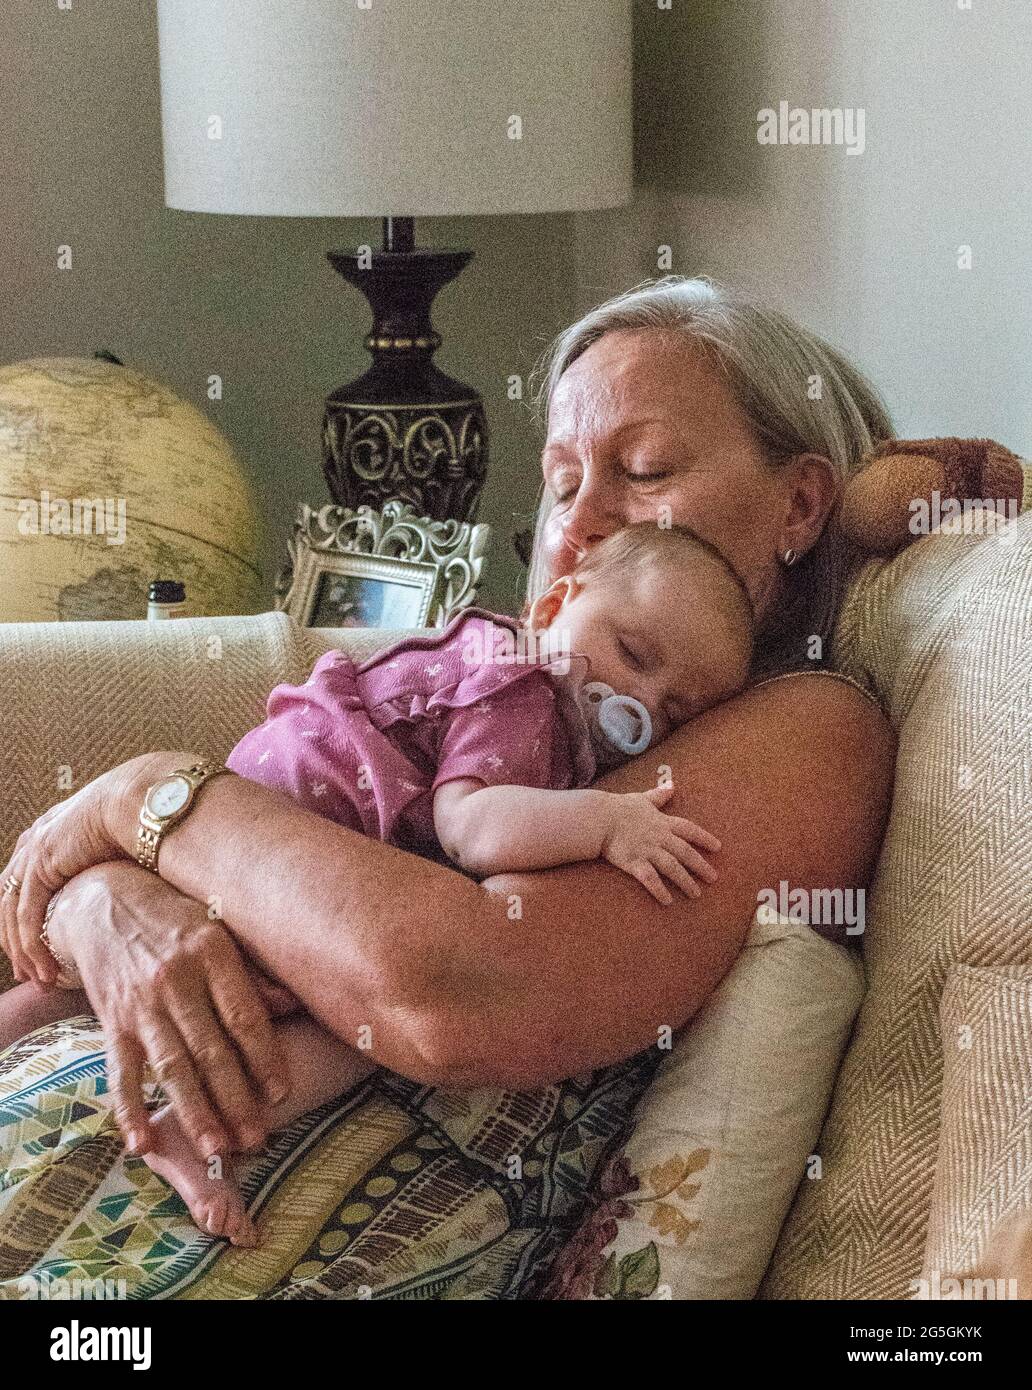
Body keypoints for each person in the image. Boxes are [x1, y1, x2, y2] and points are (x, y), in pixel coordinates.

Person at [0, 277, 896, 1297]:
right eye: (561, 483)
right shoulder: (508, 697)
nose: (586, 518)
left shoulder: (812, 731)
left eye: (644, 471)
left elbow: (449, 993)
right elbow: (60, 919)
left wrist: (150, 799)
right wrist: (107, 896)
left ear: (801, 502)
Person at [0, 523, 752, 1244]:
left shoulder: (524, 692)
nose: (639, 705)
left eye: (676, 709)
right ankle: (202, 1136)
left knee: (70, 993)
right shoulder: (524, 687)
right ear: (554, 604)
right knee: (364, 1029)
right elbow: (474, 828)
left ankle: (114, 1089)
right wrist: (608, 824)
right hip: (289, 850)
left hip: (254, 836)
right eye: (632, 653)